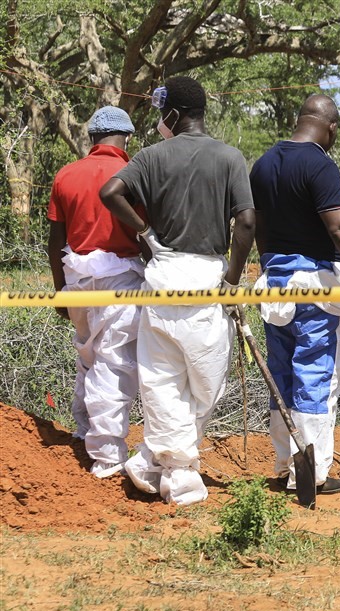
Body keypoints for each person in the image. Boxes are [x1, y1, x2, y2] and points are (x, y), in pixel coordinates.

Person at [100, 76, 257, 506]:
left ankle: (155, 460)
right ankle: (180, 474)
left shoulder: (151, 157)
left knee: (161, 380)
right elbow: (246, 222)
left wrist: (145, 231)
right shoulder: (229, 157)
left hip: (163, 275)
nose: (159, 122)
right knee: (207, 384)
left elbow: (109, 192)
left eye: (161, 113)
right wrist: (232, 281)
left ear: (174, 113)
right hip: (207, 281)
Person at [248, 94, 340, 494]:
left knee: (282, 377)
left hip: (275, 286)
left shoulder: (263, 164)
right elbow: (339, 229)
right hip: (316, 289)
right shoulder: (320, 165)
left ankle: (288, 465)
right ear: (331, 127)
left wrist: (270, 268)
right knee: (316, 377)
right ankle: (311, 474)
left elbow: (258, 228)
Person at [47, 106, 144, 478]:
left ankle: (84, 430)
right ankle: (106, 456)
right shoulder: (133, 174)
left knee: (87, 355)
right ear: (126, 138)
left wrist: (60, 290)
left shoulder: (66, 174)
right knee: (114, 363)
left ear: (91, 138)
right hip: (121, 280)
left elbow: (55, 241)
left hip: (77, 278)